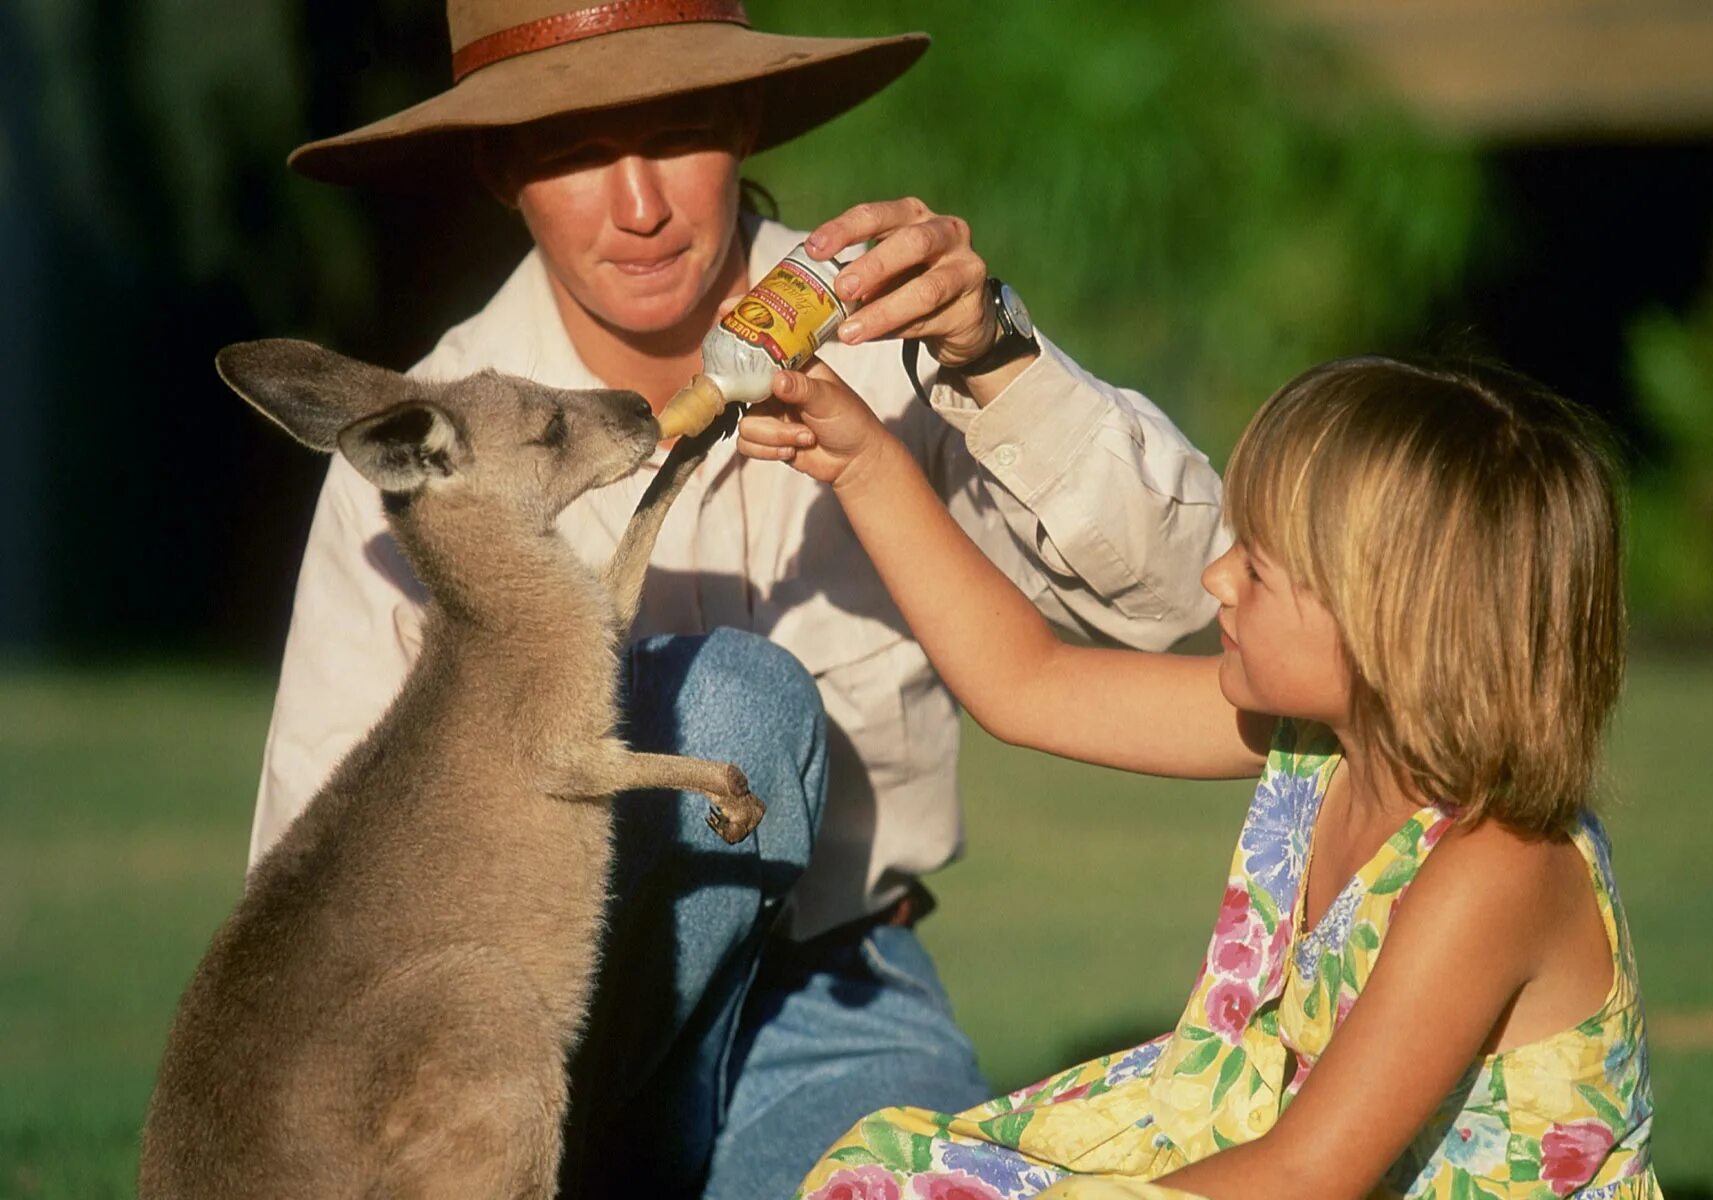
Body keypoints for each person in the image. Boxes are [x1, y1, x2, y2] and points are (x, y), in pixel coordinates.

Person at [254, 3, 1226, 1198]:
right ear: (503, 170)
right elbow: (318, 905)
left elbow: (1182, 601)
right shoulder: (430, 449)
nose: (640, 204)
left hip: (836, 992)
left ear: (745, 120)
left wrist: (997, 357)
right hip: (555, 1032)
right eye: (571, 151)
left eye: (676, 130)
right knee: (730, 709)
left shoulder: (885, 325)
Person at [740, 355, 1660, 1200]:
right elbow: (1029, 685)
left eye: (1257, 565)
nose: (1217, 578)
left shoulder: (1496, 868)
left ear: (1391, 625)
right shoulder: (1319, 743)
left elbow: (1306, 1175)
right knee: (886, 1175)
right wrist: (864, 463)